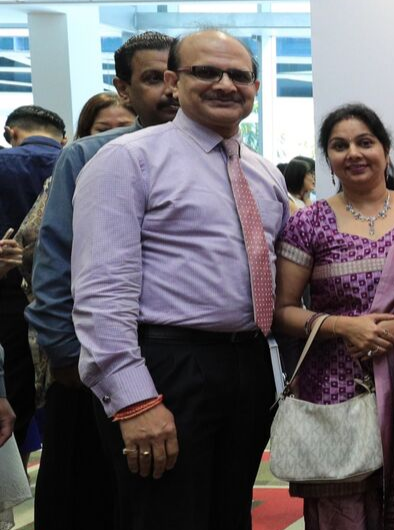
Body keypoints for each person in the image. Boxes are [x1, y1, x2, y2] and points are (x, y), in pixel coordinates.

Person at [71, 29, 287, 529]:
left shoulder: (263, 173)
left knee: (229, 513)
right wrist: (135, 400)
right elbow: (101, 292)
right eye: (207, 72)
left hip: (247, 365)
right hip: (167, 366)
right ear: (174, 80)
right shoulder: (128, 160)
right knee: (166, 516)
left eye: (240, 75)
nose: (226, 85)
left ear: (255, 86)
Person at [275, 103, 394, 529]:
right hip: (337, 389)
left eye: (365, 142)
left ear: (386, 150)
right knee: (347, 510)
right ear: (328, 159)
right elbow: (282, 312)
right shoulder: (309, 224)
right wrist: (343, 326)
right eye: (340, 146)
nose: (354, 153)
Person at [24, 30, 177, 529]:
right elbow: (56, 264)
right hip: (93, 366)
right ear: (125, 89)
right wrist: (68, 357)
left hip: (174, 362)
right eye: (153, 78)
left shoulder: (217, 157)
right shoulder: (90, 154)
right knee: (90, 499)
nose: (170, 89)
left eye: (177, 75)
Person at [0, 104, 66, 466]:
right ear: (65, 137)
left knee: (11, 414)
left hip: (8, 304)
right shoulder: (79, 164)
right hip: (67, 309)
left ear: (11, 133)